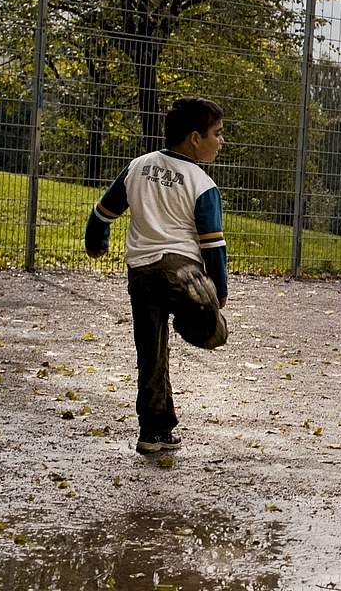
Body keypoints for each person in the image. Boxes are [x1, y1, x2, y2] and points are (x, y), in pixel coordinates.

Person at [84, 96, 230, 455]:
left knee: (151, 353)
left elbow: (103, 212)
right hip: (182, 270)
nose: (221, 140)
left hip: (142, 272)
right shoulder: (202, 184)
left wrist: (96, 242)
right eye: (218, 133)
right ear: (195, 138)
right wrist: (221, 291)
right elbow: (213, 245)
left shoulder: (138, 167)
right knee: (215, 331)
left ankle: (154, 430)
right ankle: (196, 314)